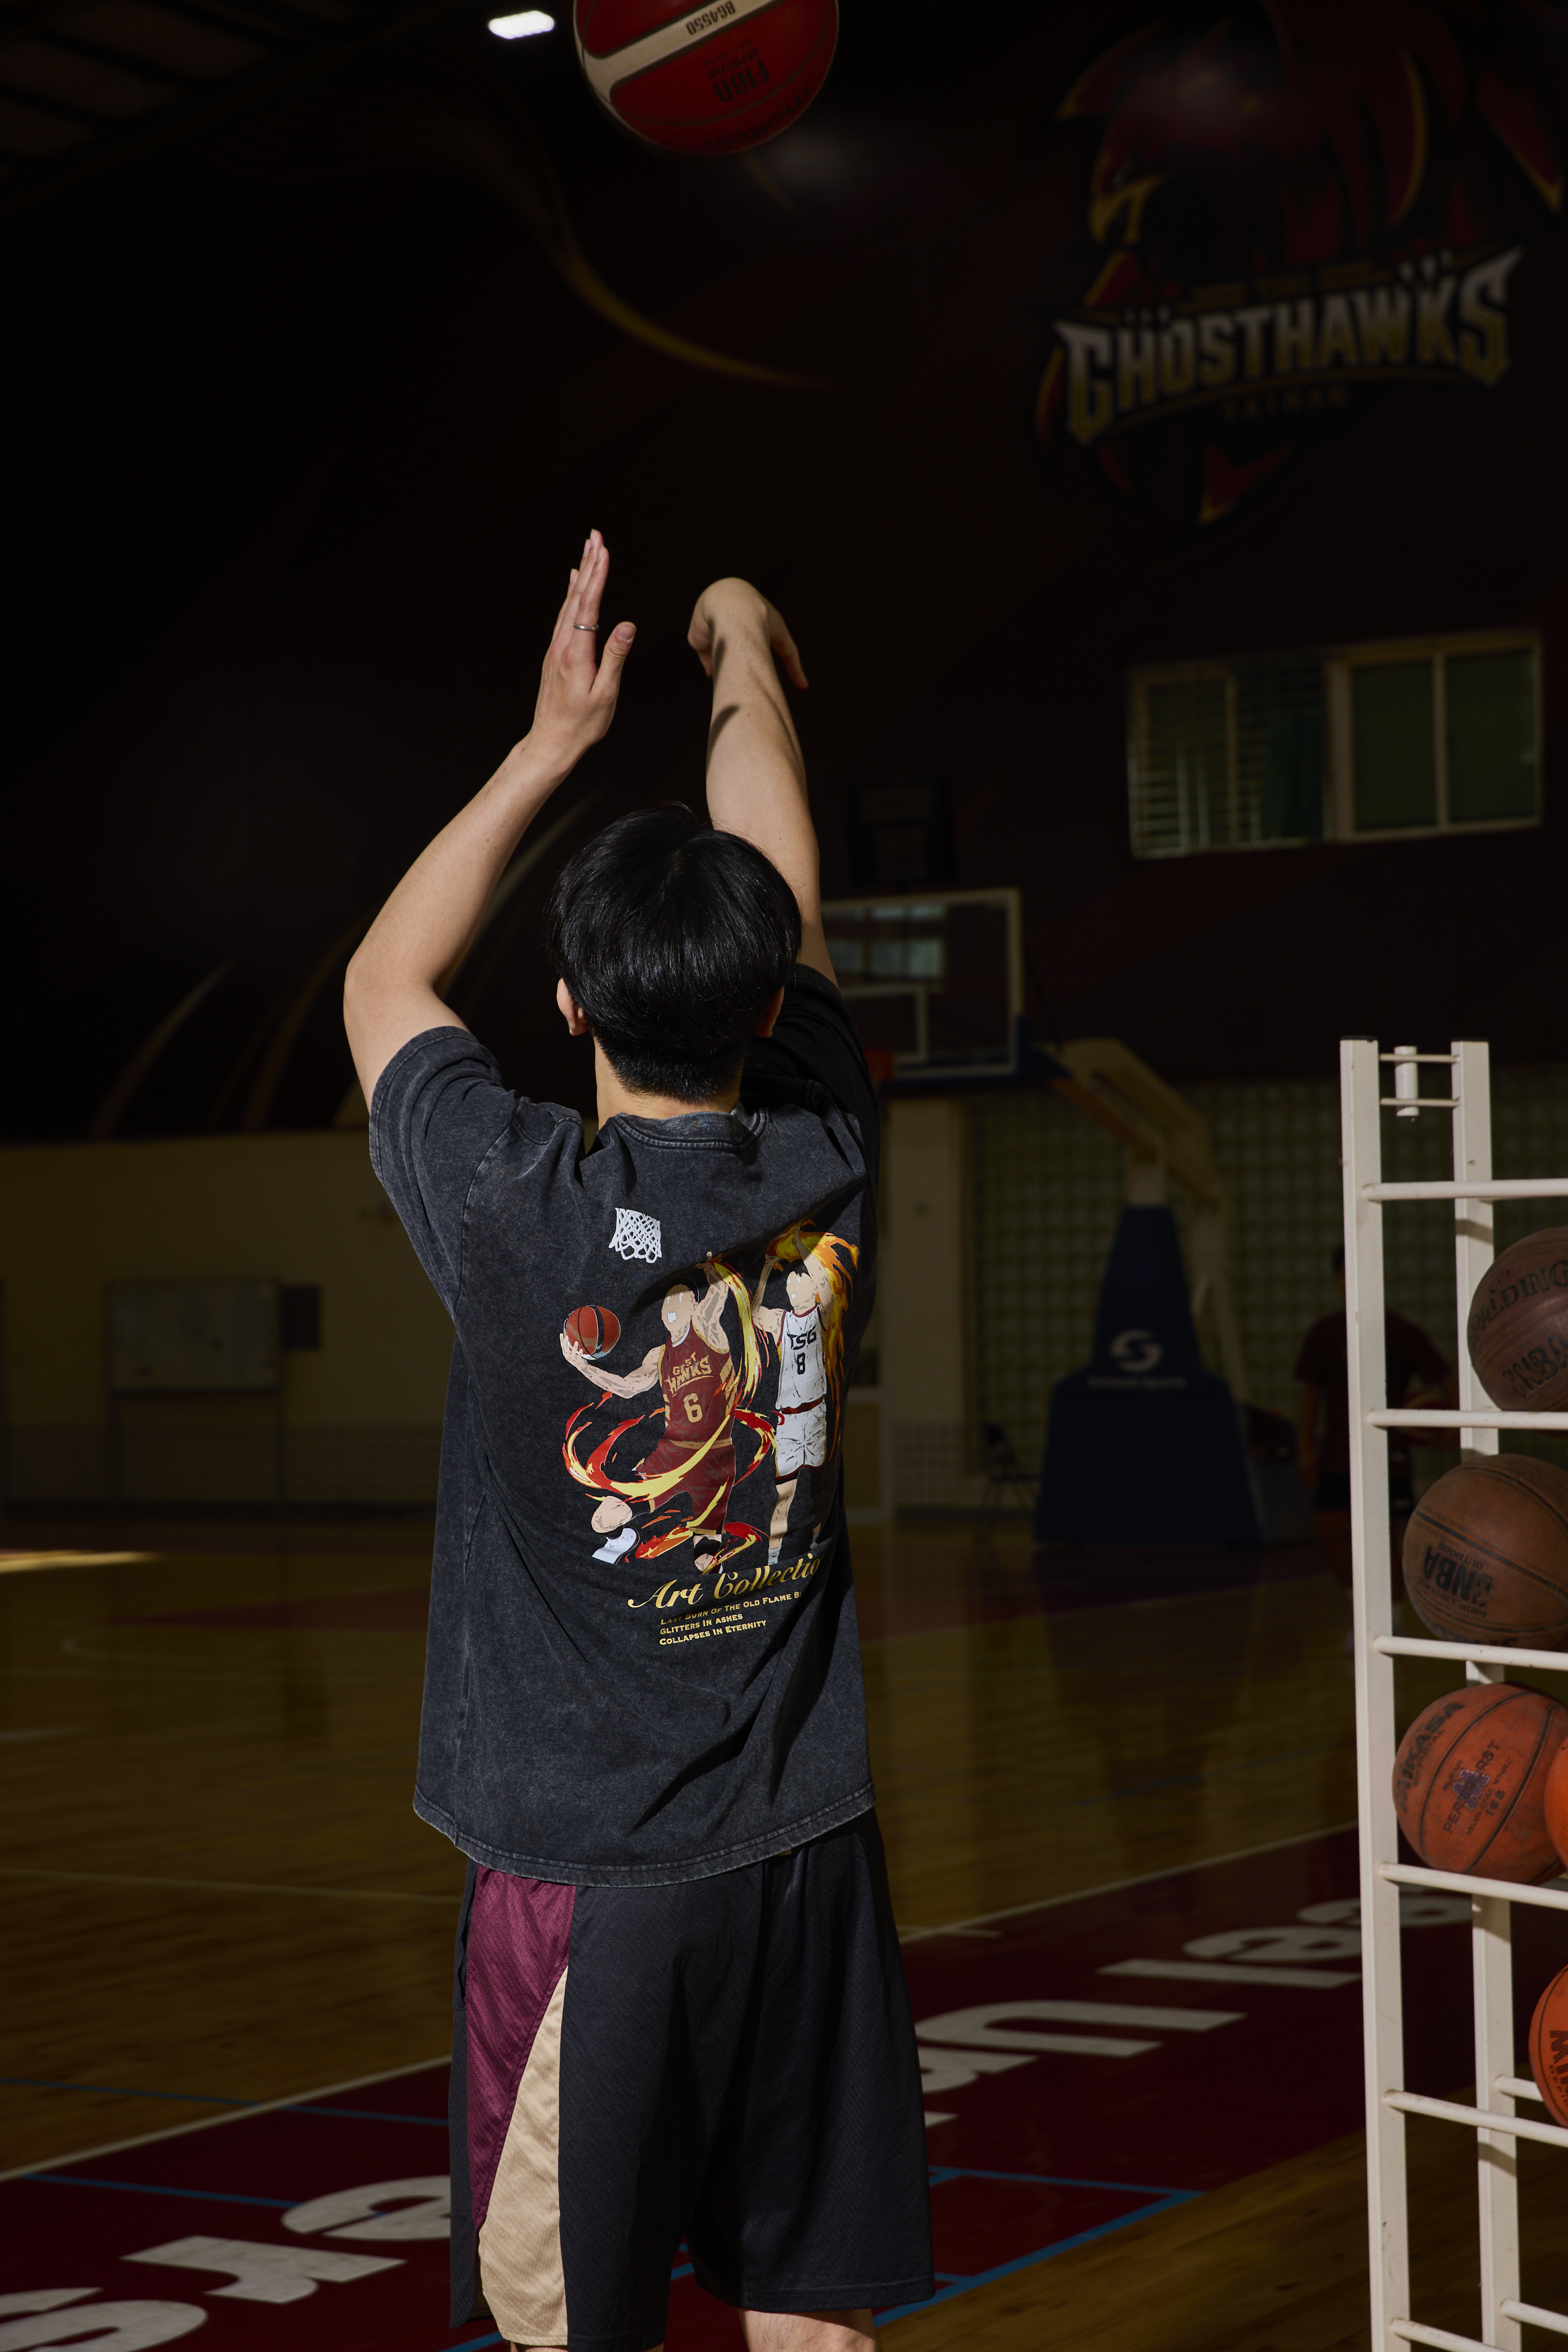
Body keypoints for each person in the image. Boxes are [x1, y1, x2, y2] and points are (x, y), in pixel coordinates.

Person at [343, 534, 932, 2352]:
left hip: (589, 1886)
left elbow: (382, 977)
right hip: (809, 1856)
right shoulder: (824, 1137)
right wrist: (740, 636)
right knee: (813, 2312)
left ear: (568, 1007)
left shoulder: (507, 1201)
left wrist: (550, 743)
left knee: (561, 2328)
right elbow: (784, 874)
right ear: (769, 1004)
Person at [1296, 1246, 1457, 1599]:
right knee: (1329, 1535)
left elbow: (1443, 1373)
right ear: (1338, 1281)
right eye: (1345, 1276)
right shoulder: (1324, 1332)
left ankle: (1392, 1616)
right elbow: (1310, 1395)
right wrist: (1305, 1448)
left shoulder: (1400, 1331)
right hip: (1337, 1455)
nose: (1351, 1283)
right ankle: (1362, 1606)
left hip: (1389, 1453)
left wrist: (1455, 1425)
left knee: (1389, 1542)